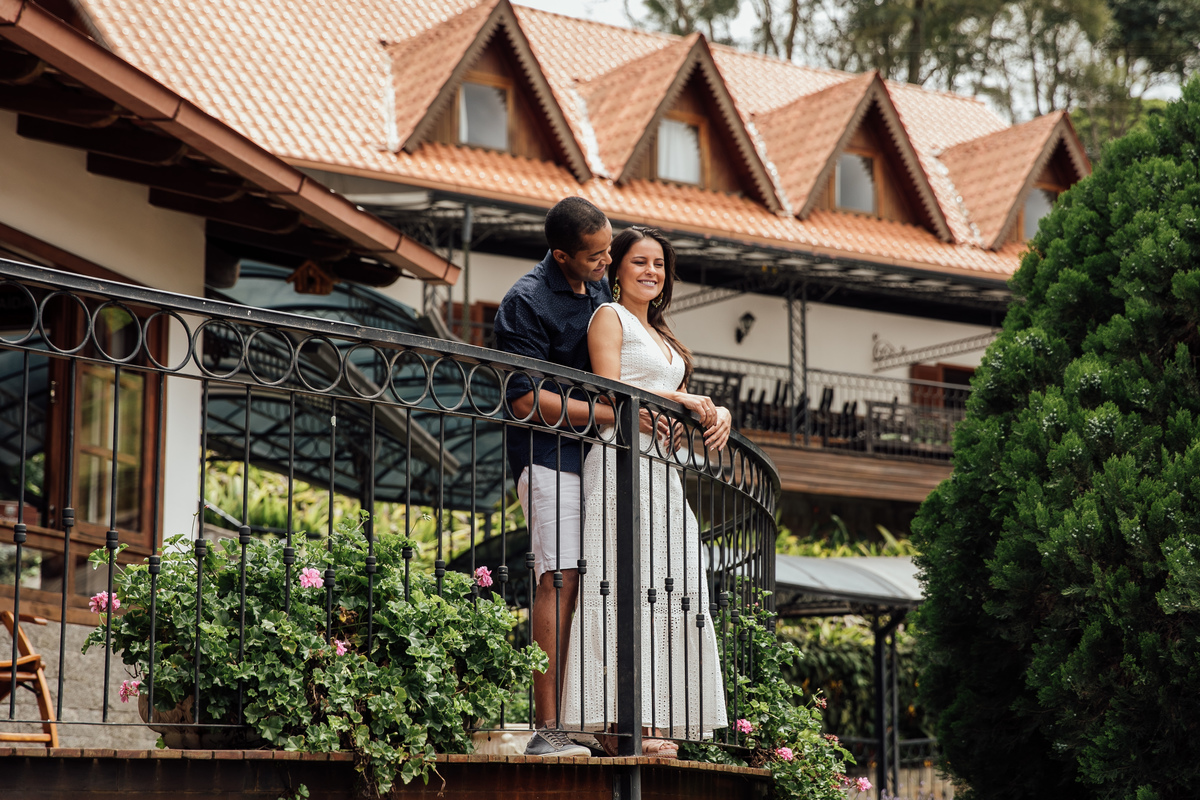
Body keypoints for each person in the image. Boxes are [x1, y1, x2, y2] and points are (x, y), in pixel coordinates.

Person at [559, 226, 731, 758]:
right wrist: (685, 399)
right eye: (639, 262)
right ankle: (612, 722)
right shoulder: (607, 317)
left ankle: (655, 716)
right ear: (617, 270)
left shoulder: (661, 332)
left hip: (661, 466)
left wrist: (714, 411)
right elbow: (609, 386)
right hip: (617, 457)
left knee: (666, 579)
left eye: (659, 264)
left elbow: (676, 399)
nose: (651, 272)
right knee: (619, 578)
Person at [491, 196, 615, 758]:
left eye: (609, 251)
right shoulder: (525, 301)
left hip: (596, 459)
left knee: (599, 582)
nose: (606, 263)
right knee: (556, 579)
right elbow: (523, 401)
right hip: (545, 456)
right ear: (560, 254)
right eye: (595, 256)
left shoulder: (601, 288)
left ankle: (589, 716)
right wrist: (616, 414)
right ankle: (546, 728)